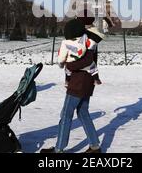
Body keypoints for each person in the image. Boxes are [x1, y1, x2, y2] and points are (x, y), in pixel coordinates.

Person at [41, 19, 101, 153]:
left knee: (66, 114)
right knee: (83, 113)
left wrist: (68, 65)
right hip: (87, 82)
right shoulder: (87, 39)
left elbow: (87, 61)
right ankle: (95, 146)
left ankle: (59, 149)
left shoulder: (87, 42)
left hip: (78, 83)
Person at [58, 22, 103, 87]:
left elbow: (62, 56)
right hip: (84, 61)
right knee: (93, 67)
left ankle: (67, 81)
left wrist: (61, 64)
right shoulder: (84, 38)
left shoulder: (65, 42)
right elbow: (92, 43)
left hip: (71, 63)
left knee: (67, 70)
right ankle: (96, 79)